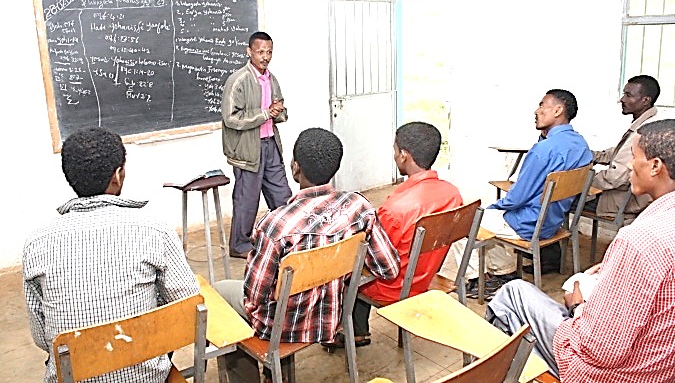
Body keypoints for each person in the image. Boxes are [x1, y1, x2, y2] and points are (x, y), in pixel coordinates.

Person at [486, 119, 675, 382]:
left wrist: (578, 308)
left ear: (655, 166)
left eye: (634, 157)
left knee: (511, 294)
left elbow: (601, 349)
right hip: (660, 366)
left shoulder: (639, 240)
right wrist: (613, 274)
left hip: (615, 373)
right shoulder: (580, 145)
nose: (630, 165)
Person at [213, 127, 399, 382]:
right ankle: (274, 372)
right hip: (331, 317)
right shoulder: (359, 207)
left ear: (295, 168)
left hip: (281, 326)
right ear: (335, 167)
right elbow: (388, 269)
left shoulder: (276, 225)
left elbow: (254, 297)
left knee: (219, 295)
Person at [23, 127, 198, 383]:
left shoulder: (36, 243)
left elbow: (42, 337)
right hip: (147, 377)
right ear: (117, 175)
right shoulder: (153, 229)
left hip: (73, 375)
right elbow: (187, 308)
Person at [452, 89, 592, 298]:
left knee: (463, 222)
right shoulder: (581, 145)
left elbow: (516, 199)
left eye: (542, 105)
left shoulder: (543, 150)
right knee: (490, 220)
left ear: (558, 110)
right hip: (553, 222)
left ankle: (475, 280)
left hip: (529, 224)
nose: (536, 111)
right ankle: (504, 273)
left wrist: (491, 209)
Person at [346, 121, 463, 348]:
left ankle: (354, 331)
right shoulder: (452, 193)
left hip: (396, 287)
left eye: (394, 150)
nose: (394, 155)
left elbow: (377, 258)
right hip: (427, 275)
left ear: (404, 156)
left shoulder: (396, 209)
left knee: (347, 269)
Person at [221, 31, 292, 259]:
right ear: (249, 51)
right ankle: (239, 245)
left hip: (270, 144)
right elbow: (231, 118)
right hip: (247, 150)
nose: (265, 57)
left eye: (269, 52)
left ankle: (288, 237)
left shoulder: (272, 79)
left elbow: (279, 111)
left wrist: (279, 113)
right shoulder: (238, 80)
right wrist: (265, 114)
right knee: (247, 200)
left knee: (283, 196)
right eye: (260, 52)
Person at [589, 74, 660, 222]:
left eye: (628, 95)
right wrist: (593, 155)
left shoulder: (642, 132)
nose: (622, 99)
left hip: (621, 202)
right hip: (633, 196)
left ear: (645, 100)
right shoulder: (647, 123)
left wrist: (581, 181)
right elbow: (619, 153)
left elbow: (615, 177)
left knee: (562, 199)